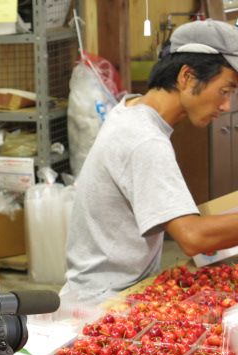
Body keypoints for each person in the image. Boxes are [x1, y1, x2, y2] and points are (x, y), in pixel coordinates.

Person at [61, 19, 238, 304]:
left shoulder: (132, 111)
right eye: (225, 90)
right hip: (103, 305)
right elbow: (192, 237)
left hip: (109, 290)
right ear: (187, 77)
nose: (227, 105)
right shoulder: (144, 139)